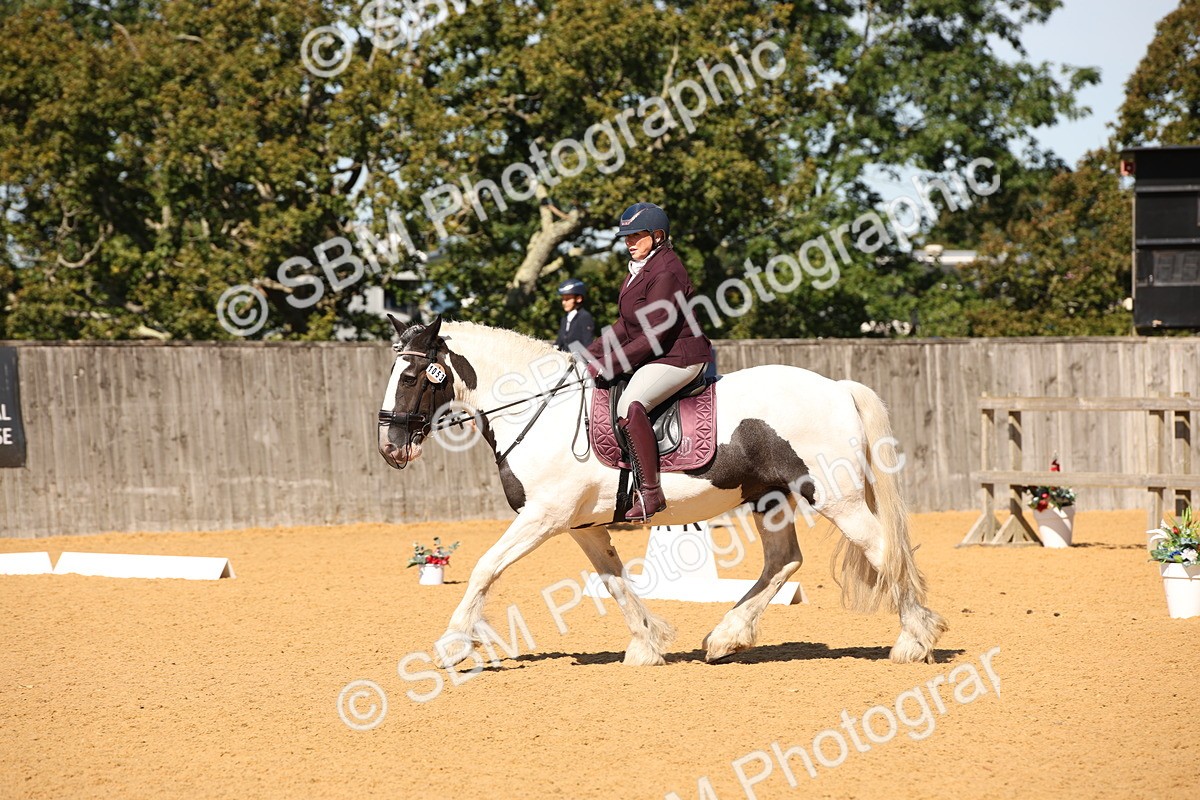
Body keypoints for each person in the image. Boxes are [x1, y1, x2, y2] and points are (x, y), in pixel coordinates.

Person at [583, 202, 712, 521]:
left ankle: (651, 493)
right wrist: (591, 351)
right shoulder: (640, 269)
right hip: (659, 353)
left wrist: (610, 364)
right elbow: (627, 325)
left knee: (630, 404)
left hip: (678, 356)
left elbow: (654, 332)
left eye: (635, 236)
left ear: (657, 236)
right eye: (625, 237)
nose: (628, 242)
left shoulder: (666, 270)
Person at [553, 277, 595, 351]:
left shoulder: (585, 317)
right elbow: (559, 342)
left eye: (567, 299)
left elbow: (588, 344)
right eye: (563, 299)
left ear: (578, 299)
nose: (563, 302)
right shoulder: (565, 318)